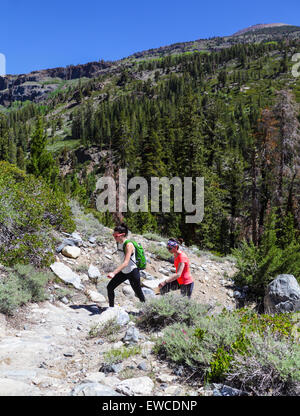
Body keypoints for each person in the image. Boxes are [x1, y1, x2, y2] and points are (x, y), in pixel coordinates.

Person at [107, 223, 146, 307]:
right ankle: (111, 308)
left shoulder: (129, 245)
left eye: (116, 235)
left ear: (123, 235)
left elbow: (126, 262)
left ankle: (147, 311)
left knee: (138, 293)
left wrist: (114, 273)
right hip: (124, 271)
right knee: (110, 287)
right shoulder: (118, 243)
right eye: (113, 235)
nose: (114, 237)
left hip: (133, 272)